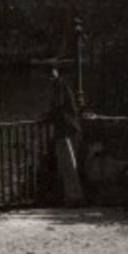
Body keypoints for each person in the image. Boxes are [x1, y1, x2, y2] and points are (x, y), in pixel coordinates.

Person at [47, 68, 84, 206]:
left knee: (67, 165)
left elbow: (57, 107)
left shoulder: (59, 87)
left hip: (64, 130)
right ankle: (74, 196)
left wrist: (47, 117)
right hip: (71, 129)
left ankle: (74, 198)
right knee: (71, 164)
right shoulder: (63, 85)